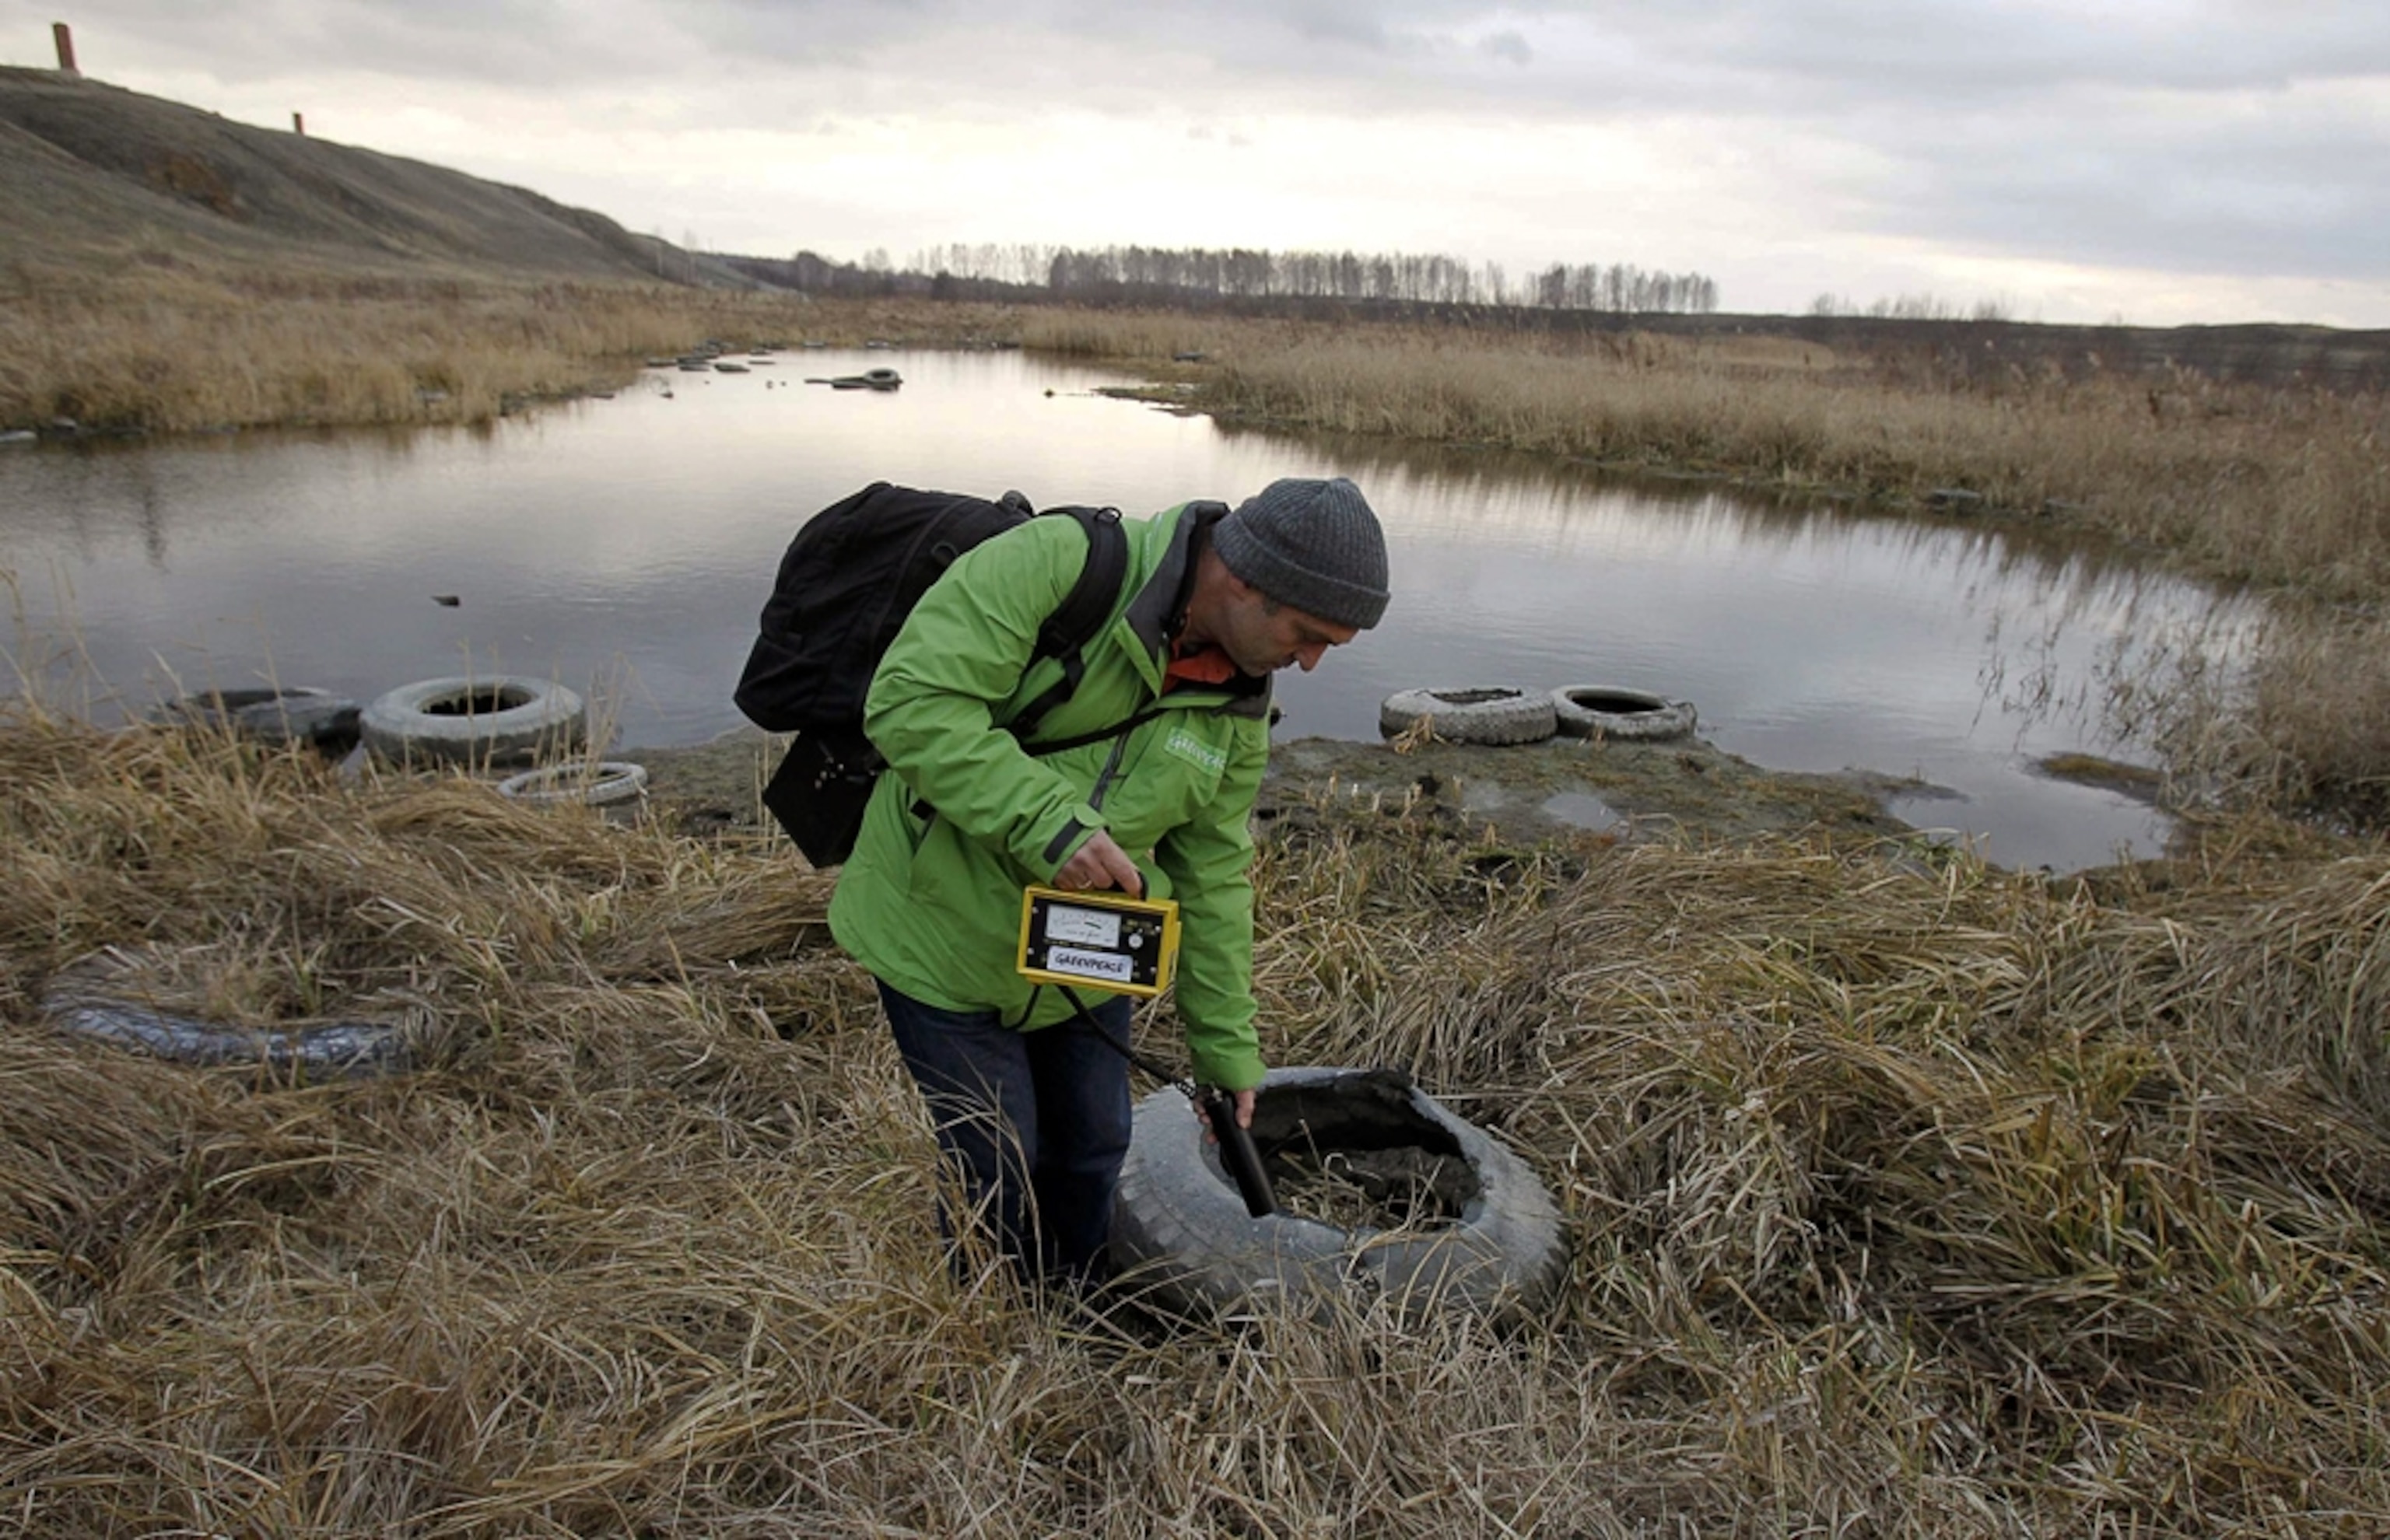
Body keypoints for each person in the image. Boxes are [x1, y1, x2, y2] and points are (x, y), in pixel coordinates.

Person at [826, 476, 1390, 1290]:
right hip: (940, 932)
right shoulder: (1056, 567)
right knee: (998, 1154)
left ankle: (1080, 1291)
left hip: (1087, 957)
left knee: (1094, 1141)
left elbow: (1213, 872)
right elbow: (912, 703)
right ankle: (1002, 1317)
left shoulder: (1237, 701)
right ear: (1240, 580)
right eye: (1308, 635)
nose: (1309, 664)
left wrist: (1228, 1050)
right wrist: (1050, 826)